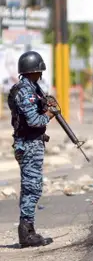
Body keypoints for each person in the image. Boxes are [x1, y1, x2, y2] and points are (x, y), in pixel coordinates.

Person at [7, 51, 56, 248]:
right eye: (39, 71)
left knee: (33, 187)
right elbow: (34, 120)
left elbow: (38, 108)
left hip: (32, 144)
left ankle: (29, 230)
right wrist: (49, 115)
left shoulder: (33, 88)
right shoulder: (24, 92)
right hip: (27, 145)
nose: (41, 74)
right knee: (31, 188)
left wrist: (46, 104)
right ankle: (26, 233)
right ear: (32, 71)